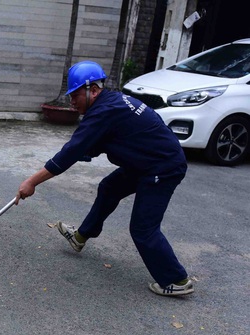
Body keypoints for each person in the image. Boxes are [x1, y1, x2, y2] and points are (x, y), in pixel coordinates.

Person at [15, 60, 193, 296]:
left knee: (143, 229)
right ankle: (80, 237)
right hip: (145, 162)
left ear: (93, 90)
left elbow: (69, 154)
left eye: (75, 95)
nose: (72, 101)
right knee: (109, 187)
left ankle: (176, 281)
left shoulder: (103, 112)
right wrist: (86, 148)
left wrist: (31, 182)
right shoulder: (110, 104)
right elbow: (103, 141)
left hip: (162, 168)